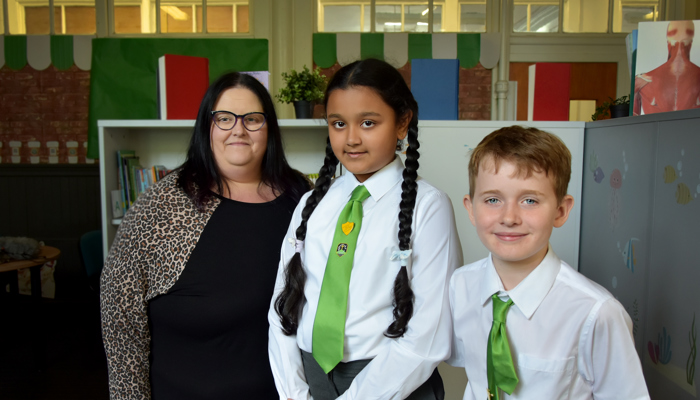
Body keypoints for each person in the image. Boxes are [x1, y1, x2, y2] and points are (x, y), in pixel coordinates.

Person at [100, 72, 311, 400]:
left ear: (269, 128)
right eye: (224, 118)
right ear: (206, 127)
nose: (238, 130)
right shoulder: (164, 202)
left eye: (252, 119)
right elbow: (119, 309)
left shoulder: (302, 196)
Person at [267, 58, 463, 400]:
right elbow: (282, 307)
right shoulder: (312, 203)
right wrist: (294, 393)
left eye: (369, 122)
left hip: (390, 384)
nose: (352, 138)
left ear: (403, 123)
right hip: (310, 380)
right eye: (338, 123)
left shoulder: (429, 207)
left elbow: (428, 335)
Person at [448, 126, 650, 399]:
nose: (509, 217)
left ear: (561, 210)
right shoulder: (460, 286)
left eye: (530, 200)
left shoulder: (596, 314)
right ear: (471, 208)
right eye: (493, 199)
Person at [634, 20, 700, 115]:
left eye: (687, 33)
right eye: (674, 33)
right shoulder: (642, 82)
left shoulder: (642, 82)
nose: (680, 39)